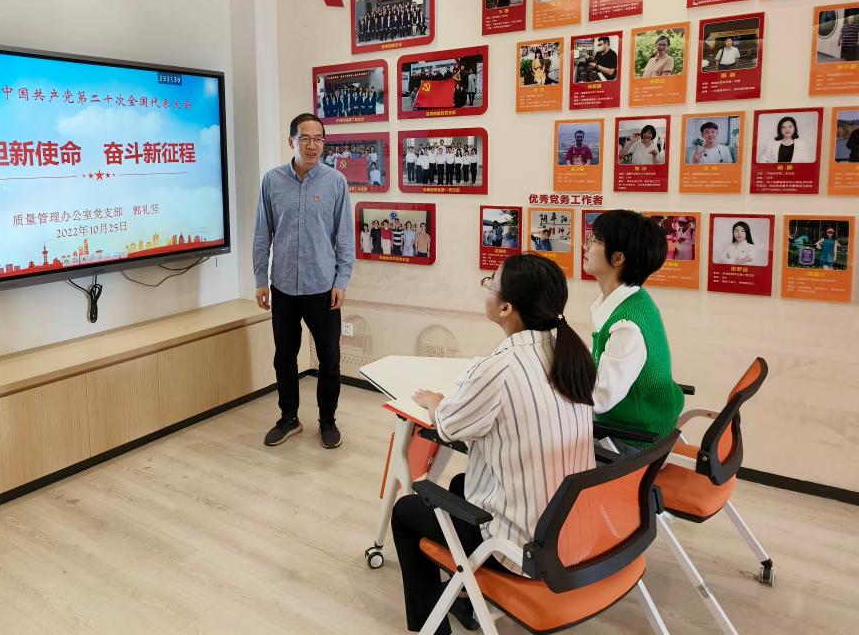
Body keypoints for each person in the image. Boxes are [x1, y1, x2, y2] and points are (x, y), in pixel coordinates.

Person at [391, 254, 596, 635]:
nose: (486, 288)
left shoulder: (501, 368)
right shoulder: (569, 353)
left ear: (506, 308)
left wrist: (436, 401)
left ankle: (430, 626)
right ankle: (467, 597)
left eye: (491, 283)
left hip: (524, 549)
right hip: (577, 531)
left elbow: (448, 427)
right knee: (459, 485)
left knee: (406, 510)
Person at [253, 113, 354, 450]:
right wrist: (260, 279)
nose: (313, 145)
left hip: (323, 287)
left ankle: (327, 420)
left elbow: (344, 237)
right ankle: (289, 418)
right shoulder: (272, 181)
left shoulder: (335, 182)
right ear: (292, 141)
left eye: (319, 139)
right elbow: (262, 234)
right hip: (282, 286)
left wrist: (341, 281)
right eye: (305, 138)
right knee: (284, 357)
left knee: (330, 359)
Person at [582, 210, 684, 451]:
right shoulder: (633, 298)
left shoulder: (626, 325)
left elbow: (599, 398)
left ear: (617, 258)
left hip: (635, 442)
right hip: (642, 428)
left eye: (594, 240)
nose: (586, 246)